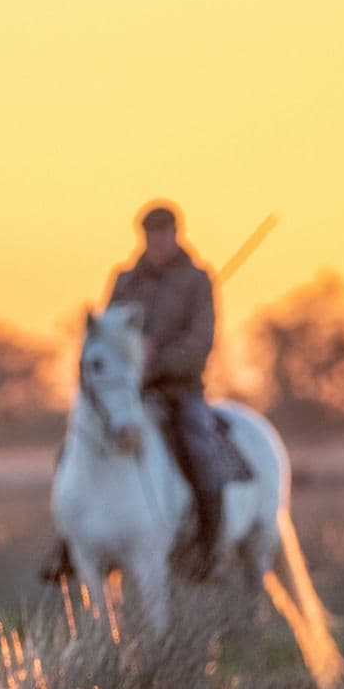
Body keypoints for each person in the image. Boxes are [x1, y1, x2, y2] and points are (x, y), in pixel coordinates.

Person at [107, 202, 233, 580]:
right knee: (79, 448)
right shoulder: (125, 280)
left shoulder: (198, 280)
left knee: (201, 455)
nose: (157, 241)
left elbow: (200, 344)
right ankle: (69, 543)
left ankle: (209, 550)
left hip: (181, 393)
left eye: (163, 233)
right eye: (150, 234)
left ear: (176, 234)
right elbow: (108, 333)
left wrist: (156, 359)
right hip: (132, 395)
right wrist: (131, 354)